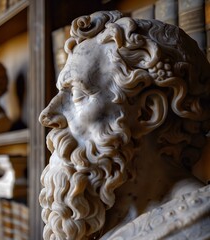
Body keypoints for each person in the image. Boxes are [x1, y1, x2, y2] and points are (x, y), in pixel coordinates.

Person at [39, 11, 210, 240]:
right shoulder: (100, 214)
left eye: (78, 94)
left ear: (147, 112)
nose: (48, 115)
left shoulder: (197, 226)